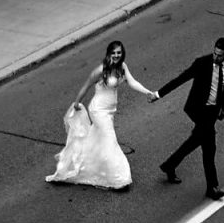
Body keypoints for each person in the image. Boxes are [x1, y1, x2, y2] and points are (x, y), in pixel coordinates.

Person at [47, 39, 158, 189]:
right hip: (98, 110)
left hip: (110, 111)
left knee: (99, 141)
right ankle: (118, 178)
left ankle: (88, 166)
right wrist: (77, 103)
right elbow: (86, 86)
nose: (117, 55)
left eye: (119, 52)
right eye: (114, 53)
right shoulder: (101, 70)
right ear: (109, 53)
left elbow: (132, 82)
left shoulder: (122, 67)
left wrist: (147, 92)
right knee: (109, 139)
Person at [157, 36, 224, 200]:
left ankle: (169, 165)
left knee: (197, 140)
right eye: (215, 53)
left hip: (213, 111)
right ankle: (212, 187)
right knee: (209, 147)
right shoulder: (202, 63)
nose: (216, 57)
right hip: (197, 109)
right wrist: (158, 94)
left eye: (220, 55)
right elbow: (181, 79)